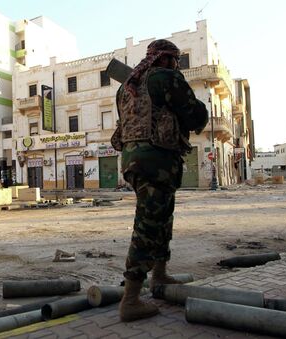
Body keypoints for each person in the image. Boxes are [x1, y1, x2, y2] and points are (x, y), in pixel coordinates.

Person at [117, 39, 209, 322]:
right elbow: (196, 115)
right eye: (176, 61)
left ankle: (159, 275)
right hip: (157, 161)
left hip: (133, 160)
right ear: (168, 59)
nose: (176, 66)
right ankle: (131, 299)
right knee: (148, 224)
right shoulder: (165, 78)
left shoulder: (126, 86)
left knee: (161, 216)